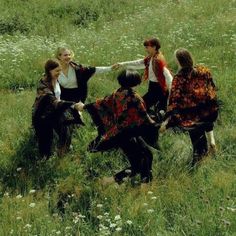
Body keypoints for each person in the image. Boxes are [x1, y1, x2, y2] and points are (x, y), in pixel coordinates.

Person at [76, 70, 159, 183]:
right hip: (128, 133)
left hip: (119, 133)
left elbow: (100, 103)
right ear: (136, 82)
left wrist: (85, 106)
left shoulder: (117, 93)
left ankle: (143, 185)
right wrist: (159, 124)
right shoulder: (134, 97)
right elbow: (144, 117)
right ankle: (108, 181)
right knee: (140, 162)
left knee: (146, 156)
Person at [160, 49, 219, 167]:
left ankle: (198, 165)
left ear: (178, 61)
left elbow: (174, 99)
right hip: (208, 110)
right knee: (203, 133)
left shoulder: (179, 77)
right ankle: (206, 155)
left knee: (197, 141)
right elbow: (212, 87)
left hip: (191, 115)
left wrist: (167, 119)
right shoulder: (204, 70)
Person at [32, 59, 82, 159]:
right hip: (44, 115)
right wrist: (73, 105)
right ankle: (44, 160)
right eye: (56, 71)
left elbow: (61, 97)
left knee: (66, 131)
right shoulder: (43, 86)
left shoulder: (57, 79)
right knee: (46, 142)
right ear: (49, 71)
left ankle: (63, 152)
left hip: (57, 111)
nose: (59, 73)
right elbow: (54, 102)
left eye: (60, 70)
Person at [115, 37, 173, 119]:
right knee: (150, 106)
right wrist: (122, 64)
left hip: (158, 89)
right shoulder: (151, 58)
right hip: (153, 87)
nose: (146, 50)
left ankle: (156, 120)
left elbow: (168, 76)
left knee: (142, 105)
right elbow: (140, 63)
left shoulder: (158, 60)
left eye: (147, 47)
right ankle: (157, 117)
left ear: (154, 47)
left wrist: (172, 91)